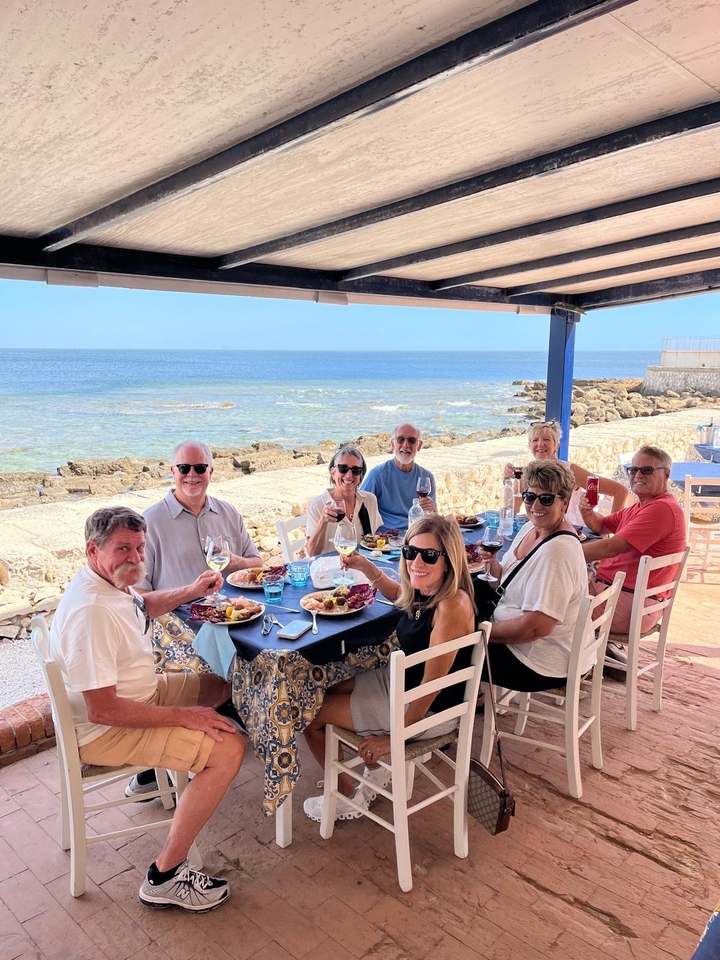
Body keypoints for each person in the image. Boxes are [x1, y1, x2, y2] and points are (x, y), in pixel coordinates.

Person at [49, 507, 244, 912]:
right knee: (230, 749)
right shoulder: (91, 612)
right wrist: (186, 717)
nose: (136, 558)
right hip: (106, 730)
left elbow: (143, 605)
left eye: (140, 548)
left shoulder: (108, 583)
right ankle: (166, 875)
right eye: (124, 549)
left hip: (141, 696)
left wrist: (193, 589)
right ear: (93, 549)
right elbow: (103, 710)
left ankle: (153, 775)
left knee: (222, 684)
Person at [302, 514, 475, 822]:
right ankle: (359, 776)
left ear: (449, 560)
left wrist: (394, 740)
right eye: (410, 552)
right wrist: (369, 569)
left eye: (429, 555)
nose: (416, 562)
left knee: (309, 713)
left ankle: (344, 796)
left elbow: (430, 688)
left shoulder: (450, 607)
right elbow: (402, 595)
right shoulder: (431, 591)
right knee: (324, 689)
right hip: (405, 686)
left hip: (430, 710)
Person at [478, 460, 589, 690]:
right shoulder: (533, 527)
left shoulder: (556, 552)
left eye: (546, 498)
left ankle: (448, 710)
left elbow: (535, 628)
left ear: (565, 503)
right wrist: (493, 564)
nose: (536, 505)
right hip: (524, 643)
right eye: (530, 497)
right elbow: (506, 583)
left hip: (536, 661)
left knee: (445, 646)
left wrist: (477, 632)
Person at [580, 444, 686, 634]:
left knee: (550, 604)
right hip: (617, 595)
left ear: (666, 475)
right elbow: (601, 525)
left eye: (646, 470)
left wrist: (559, 553)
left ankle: (576, 660)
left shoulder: (661, 509)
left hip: (631, 606)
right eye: (633, 469)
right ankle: (587, 657)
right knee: (549, 591)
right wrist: (587, 512)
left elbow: (611, 548)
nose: (637, 475)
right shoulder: (642, 506)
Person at [138, 439, 261, 602]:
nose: (192, 474)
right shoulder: (150, 522)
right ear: (173, 471)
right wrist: (188, 593)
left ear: (210, 472)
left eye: (200, 468)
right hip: (179, 620)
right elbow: (137, 593)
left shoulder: (229, 513)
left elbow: (258, 565)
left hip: (234, 614)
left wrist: (233, 561)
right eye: (184, 467)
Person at [504, 420, 630, 526]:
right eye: (535, 440)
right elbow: (512, 510)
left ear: (557, 445)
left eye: (546, 439)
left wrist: (613, 528)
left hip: (574, 534)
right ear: (529, 445)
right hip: (541, 532)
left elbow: (620, 491)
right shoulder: (528, 473)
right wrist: (507, 482)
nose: (540, 444)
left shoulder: (570, 471)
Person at [305, 446, 382, 557]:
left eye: (356, 470)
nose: (349, 475)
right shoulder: (318, 505)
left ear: (361, 476)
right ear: (332, 471)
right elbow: (312, 553)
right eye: (343, 468)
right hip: (328, 569)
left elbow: (373, 541)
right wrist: (323, 521)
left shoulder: (370, 500)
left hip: (362, 567)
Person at [360, 423, 437, 531]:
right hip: (386, 538)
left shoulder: (426, 477)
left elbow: (433, 517)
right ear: (393, 444)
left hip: (416, 535)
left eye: (411, 440)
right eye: (400, 439)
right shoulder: (378, 475)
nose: (405, 445)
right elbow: (360, 507)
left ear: (419, 445)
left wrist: (431, 509)